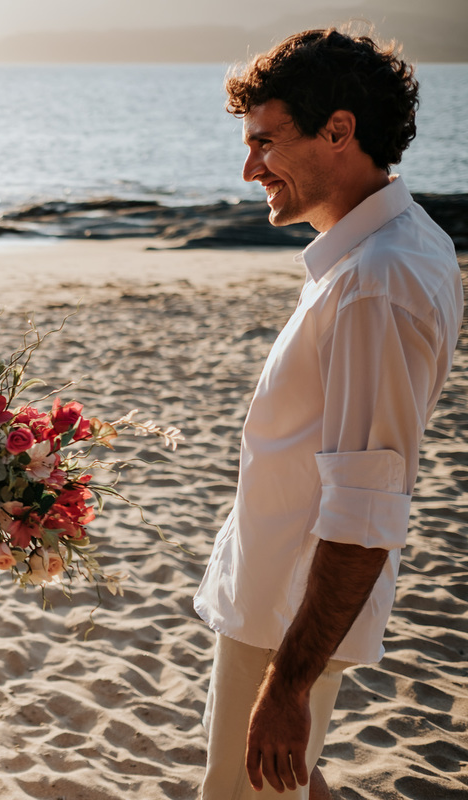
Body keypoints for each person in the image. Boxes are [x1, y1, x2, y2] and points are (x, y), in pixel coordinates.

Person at [193, 28, 463, 800]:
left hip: (287, 622)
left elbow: (367, 507)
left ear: (338, 131)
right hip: (276, 604)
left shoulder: (378, 280)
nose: (250, 170)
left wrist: (288, 683)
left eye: (266, 143)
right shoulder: (384, 251)